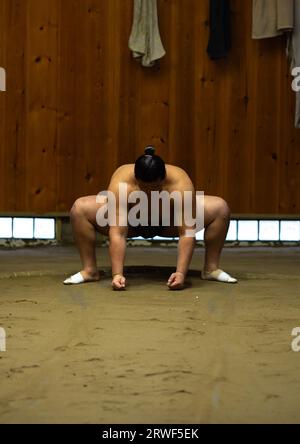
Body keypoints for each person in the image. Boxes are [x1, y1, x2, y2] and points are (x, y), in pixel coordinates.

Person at [64, 147, 237, 290]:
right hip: (132, 224)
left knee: (220, 207)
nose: (149, 192)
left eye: (155, 187)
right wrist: (117, 274)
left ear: (164, 179)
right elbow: (118, 232)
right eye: (143, 187)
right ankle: (90, 270)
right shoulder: (121, 182)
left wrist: (181, 273)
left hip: (168, 223)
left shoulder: (180, 183)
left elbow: (186, 232)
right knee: (79, 208)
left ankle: (210, 269)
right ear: (136, 179)